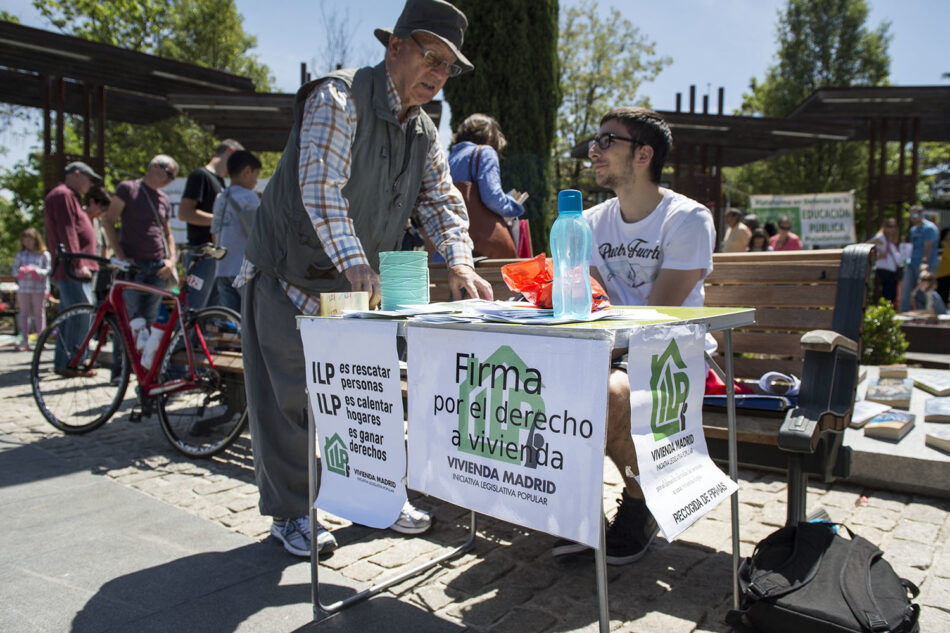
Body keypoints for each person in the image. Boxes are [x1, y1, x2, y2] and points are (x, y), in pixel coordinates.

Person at [239, 0, 493, 558]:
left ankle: (373, 495)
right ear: (395, 46)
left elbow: (442, 204)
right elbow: (320, 188)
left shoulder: (424, 129)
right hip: (288, 274)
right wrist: (356, 259)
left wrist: (460, 262)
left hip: (352, 293)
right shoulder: (338, 97)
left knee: (363, 400)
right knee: (291, 405)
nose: (438, 74)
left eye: (448, 66)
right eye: (431, 56)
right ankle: (292, 514)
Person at [550, 106, 715, 565]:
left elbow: (661, 315)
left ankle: (641, 504)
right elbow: (589, 298)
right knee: (538, 380)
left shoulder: (686, 219)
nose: (594, 151)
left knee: (606, 394)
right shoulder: (590, 220)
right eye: (594, 141)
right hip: (610, 347)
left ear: (643, 154)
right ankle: (572, 503)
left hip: (671, 352)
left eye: (607, 141)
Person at [103, 155, 179, 324]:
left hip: (158, 267)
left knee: (149, 320)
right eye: (169, 173)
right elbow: (108, 221)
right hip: (133, 266)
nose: (170, 180)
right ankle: (124, 352)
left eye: (173, 177)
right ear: (155, 166)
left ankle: (144, 352)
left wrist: (172, 260)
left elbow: (168, 233)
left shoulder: (163, 199)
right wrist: (120, 256)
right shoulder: (128, 188)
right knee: (129, 319)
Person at [44, 161, 101, 377]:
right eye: (89, 178)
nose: (90, 184)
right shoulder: (63, 195)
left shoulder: (69, 197)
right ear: (76, 174)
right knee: (82, 312)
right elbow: (67, 231)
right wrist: (76, 263)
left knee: (70, 316)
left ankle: (65, 361)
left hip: (74, 267)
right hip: (73, 269)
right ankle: (75, 360)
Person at [179, 139, 244, 309]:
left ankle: (200, 336)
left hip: (217, 255)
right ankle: (182, 336)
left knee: (211, 311)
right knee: (193, 307)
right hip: (201, 253)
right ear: (229, 151)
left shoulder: (221, 182)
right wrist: (222, 221)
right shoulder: (200, 176)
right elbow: (184, 213)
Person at [448, 113, 527, 235]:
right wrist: (514, 206)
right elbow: (492, 197)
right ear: (490, 137)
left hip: (447, 238)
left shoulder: (449, 159)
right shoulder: (485, 151)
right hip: (476, 241)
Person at [211, 150, 261, 313]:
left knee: (231, 321)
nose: (256, 181)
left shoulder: (220, 198)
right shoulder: (249, 197)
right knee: (250, 320)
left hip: (222, 269)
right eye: (256, 174)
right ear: (247, 171)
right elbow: (258, 233)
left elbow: (214, 234)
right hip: (243, 270)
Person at [12, 227, 51, 351]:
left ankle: (41, 339)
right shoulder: (21, 255)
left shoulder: (44, 254)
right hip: (24, 288)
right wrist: (21, 271)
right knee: (24, 314)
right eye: (25, 241)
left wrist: (36, 271)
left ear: (36, 240)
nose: (27, 243)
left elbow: (48, 270)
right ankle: (24, 340)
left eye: (30, 240)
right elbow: (14, 271)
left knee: (39, 314)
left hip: (39, 288)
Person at [900, 206, 939, 312]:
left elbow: (928, 247)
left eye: (915, 215)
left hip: (926, 264)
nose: (913, 217)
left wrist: (924, 262)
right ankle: (904, 313)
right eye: (911, 215)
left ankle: (928, 313)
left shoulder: (929, 228)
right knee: (906, 289)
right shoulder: (913, 229)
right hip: (912, 263)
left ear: (921, 214)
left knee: (926, 290)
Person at [866, 218, 901, 303]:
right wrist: (878, 253)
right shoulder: (880, 237)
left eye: (894, 226)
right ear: (885, 227)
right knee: (887, 293)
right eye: (889, 226)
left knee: (892, 293)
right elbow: (867, 245)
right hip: (883, 269)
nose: (892, 229)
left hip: (891, 269)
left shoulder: (891, 239)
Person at [934, 227, 949, 304]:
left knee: (944, 293)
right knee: (942, 293)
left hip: (945, 273)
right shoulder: (943, 244)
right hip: (942, 274)